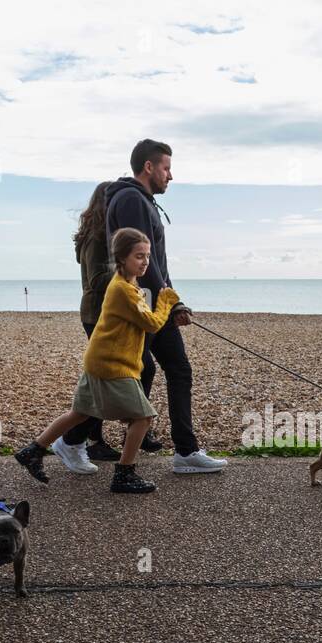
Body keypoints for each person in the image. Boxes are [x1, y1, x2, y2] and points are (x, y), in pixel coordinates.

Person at [13, 228, 179, 493]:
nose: (145, 261)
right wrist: (167, 301)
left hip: (100, 359)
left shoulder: (128, 286)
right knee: (143, 418)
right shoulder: (123, 289)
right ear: (122, 258)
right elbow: (151, 324)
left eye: (147, 256)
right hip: (112, 366)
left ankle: (33, 450)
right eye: (139, 256)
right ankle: (124, 474)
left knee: (80, 412)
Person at [105, 139, 226, 474]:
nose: (170, 176)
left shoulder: (140, 200)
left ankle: (75, 440)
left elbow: (154, 260)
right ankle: (184, 452)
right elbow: (143, 261)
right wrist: (168, 301)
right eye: (166, 168)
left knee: (148, 370)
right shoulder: (131, 199)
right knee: (172, 369)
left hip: (151, 301)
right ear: (149, 167)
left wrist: (173, 296)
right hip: (144, 304)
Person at [51, 182, 119, 474]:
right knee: (104, 380)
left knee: (103, 378)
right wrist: (127, 267)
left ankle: (93, 437)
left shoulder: (105, 234)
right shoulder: (95, 237)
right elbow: (96, 280)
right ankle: (71, 439)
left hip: (105, 313)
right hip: (96, 314)